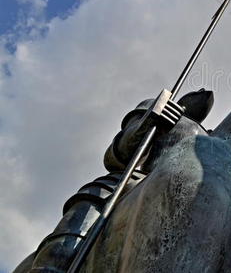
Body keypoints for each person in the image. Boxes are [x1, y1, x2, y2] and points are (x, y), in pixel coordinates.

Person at [25, 88, 214, 273]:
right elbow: (114, 157)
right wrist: (149, 121)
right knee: (65, 245)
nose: (204, 91)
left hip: (176, 200)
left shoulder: (212, 141)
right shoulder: (155, 106)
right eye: (198, 89)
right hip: (125, 185)